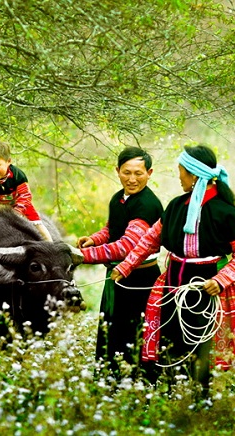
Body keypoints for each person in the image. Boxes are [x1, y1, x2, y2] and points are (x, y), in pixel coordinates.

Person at [110, 144, 235, 397]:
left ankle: (202, 402)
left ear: (193, 175)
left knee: (204, 347)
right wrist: (126, 266)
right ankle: (172, 396)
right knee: (170, 340)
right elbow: (150, 240)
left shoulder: (225, 213)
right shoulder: (176, 206)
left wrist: (221, 280)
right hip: (173, 283)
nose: (179, 176)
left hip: (209, 288)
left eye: (181, 171)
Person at [77, 147, 164, 378]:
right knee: (112, 330)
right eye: (126, 172)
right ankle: (110, 382)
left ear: (150, 173)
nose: (132, 179)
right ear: (117, 171)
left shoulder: (146, 204)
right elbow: (112, 229)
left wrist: (83, 257)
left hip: (140, 281)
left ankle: (136, 386)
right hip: (116, 276)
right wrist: (94, 240)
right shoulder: (120, 198)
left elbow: (128, 246)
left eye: (138, 173)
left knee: (134, 333)